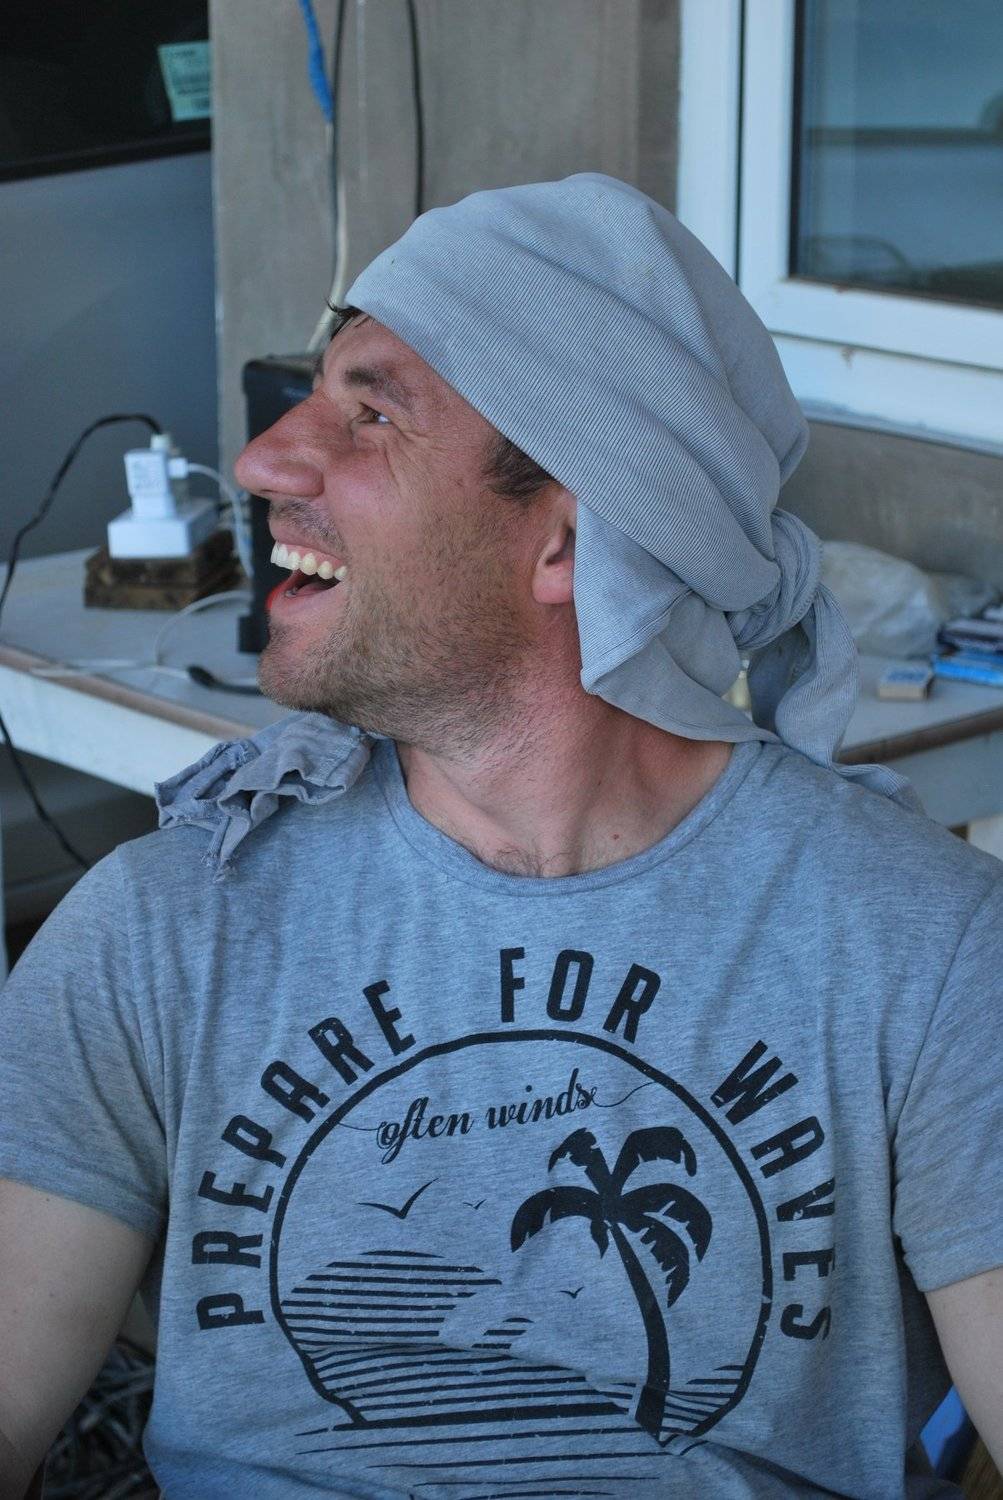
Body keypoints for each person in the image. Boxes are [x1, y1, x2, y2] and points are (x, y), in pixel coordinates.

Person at [0, 174, 1000, 1500]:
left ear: (567, 541)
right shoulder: (170, 923)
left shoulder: (921, 948)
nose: (265, 460)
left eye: (372, 413)